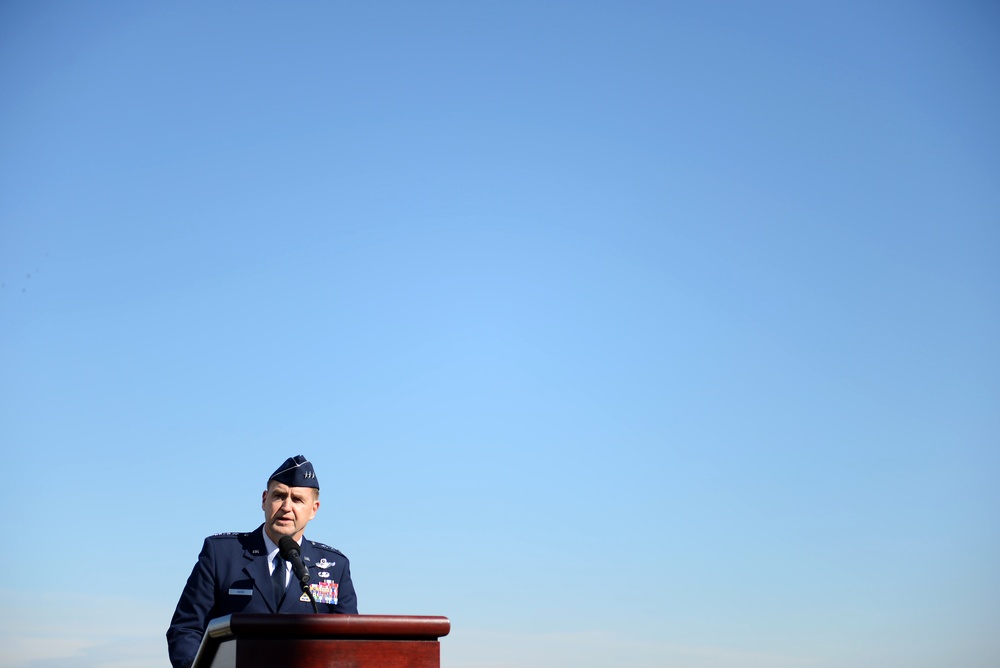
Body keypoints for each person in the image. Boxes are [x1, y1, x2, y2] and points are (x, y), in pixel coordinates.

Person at [166, 455, 358, 668]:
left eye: (297, 500)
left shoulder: (334, 567)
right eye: (279, 496)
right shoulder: (221, 554)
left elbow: (349, 643)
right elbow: (186, 629)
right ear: (264, 500)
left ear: (314, 509)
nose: (286, 507)